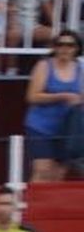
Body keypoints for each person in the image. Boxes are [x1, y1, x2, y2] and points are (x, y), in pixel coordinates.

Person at [24, 28, 83, 182]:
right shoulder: (44, 66)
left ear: (76, 48)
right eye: (60, 44)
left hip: (67, 128)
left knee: (58, 174)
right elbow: (32, 96)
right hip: (41, 126)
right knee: (42, 169)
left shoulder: (80, 69)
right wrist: (62, 96)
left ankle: (48, 206)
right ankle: (33, 204)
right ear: (55, 47)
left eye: (70, 45)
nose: (64, 48)